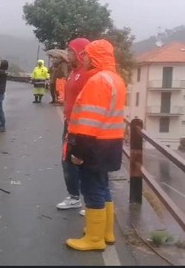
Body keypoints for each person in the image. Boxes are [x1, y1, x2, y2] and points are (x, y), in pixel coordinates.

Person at [65, 39, 126, 251]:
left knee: (92, 190)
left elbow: (90, 121)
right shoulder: (115, 79)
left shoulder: (98, 81)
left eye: (88, 55)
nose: (85, 58)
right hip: (110, 144)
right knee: (103, 188)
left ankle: (94, 239)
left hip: (94, 145)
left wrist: (78, 152)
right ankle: (105, 233)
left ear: (96, 57)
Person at [56, 38, 91, 216]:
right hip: (69, 124)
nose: (67, 53)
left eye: (70, 51)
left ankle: (90, 202)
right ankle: (75, 197)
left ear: (79, 53)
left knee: (81, 162)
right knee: (67, 160)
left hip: (80, 127)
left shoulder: (87, 74)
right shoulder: (74, 71)